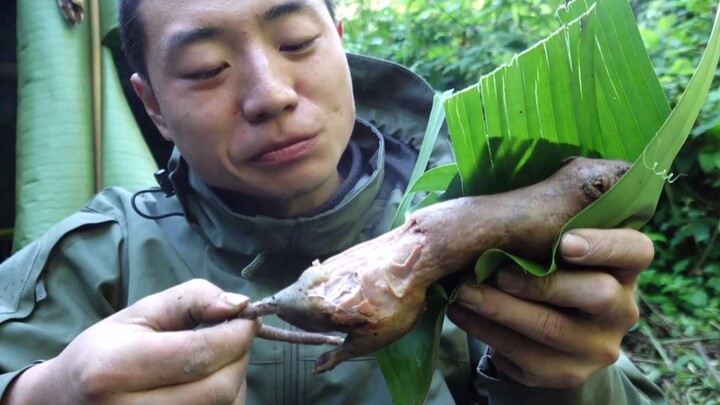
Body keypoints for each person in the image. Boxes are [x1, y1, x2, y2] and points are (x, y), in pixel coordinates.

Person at [0, 0, 666, 403]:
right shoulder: (94, 259)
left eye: (296, 43)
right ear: (154, 107)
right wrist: (41, 393)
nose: (271, 94)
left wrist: (571, 381)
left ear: (341, 42)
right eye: (206, 70)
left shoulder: (498, 219)